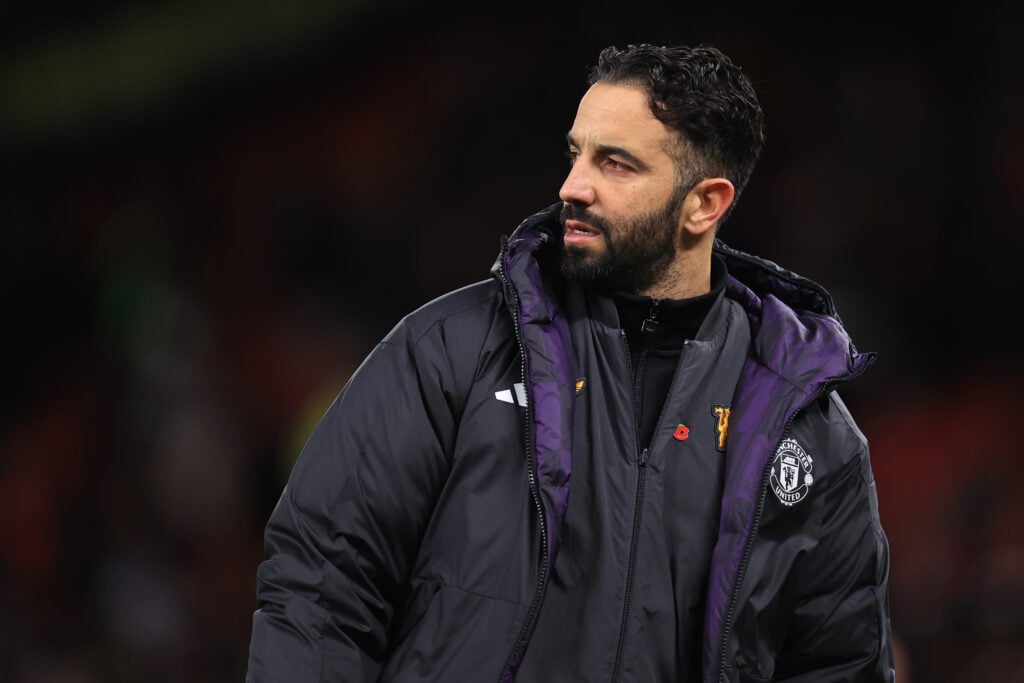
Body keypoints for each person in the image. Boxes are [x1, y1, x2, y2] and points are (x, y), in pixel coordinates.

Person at [246, 43, 895, 682]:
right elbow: (322, 590)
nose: (572, 187)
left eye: (614, 164)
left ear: (705, 203)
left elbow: (839, 663)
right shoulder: (450, 351)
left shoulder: (809, 431)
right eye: (576, 153)